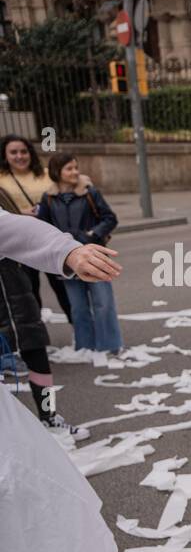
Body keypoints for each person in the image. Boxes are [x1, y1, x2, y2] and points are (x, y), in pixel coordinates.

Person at [0, 212, 121, 438]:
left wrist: (70, 252)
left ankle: (49, 416)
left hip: (20, 306)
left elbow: (25, 231)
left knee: (40, 366)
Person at [35, 153, 122, 354]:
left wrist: (92, 234)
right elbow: (43, 227)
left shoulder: (90, 193)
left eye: (76, 167)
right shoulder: (48, 198)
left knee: (103, 303)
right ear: (58, 172)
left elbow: (110, 218)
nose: (75, 172)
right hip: (67, 260)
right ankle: (85, 347)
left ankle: (110, 346)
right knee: (78, 307)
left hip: (94, 256)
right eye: (69, 168)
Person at [0, 135, 75, 322]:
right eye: (13, 152)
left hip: (50, 237)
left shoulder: (46, 174)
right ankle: (39, 335)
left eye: (23, 151)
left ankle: (79, 334)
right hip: (21, 242)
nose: (19, 156)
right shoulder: (1, 178)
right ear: (5, 155)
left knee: (63, 289)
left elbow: (68, 190)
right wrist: (19, 213)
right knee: (30, 292)